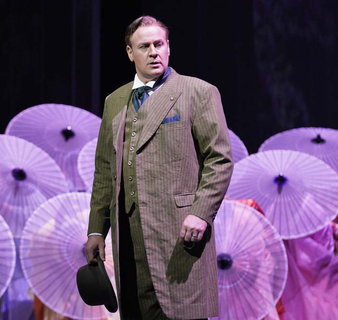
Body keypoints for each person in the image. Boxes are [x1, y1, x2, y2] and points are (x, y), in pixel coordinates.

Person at [84, 16, 233, 320]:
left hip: (179, 233)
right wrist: (97, 229)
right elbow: (104, 171)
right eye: (145, 46)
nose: (154, 52)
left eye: (159, 44)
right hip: (128, 238)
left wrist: (201, 212)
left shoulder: (198, 92)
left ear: (168, 48)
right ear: (130, 53)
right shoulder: (114, 102)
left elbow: (219, 159)